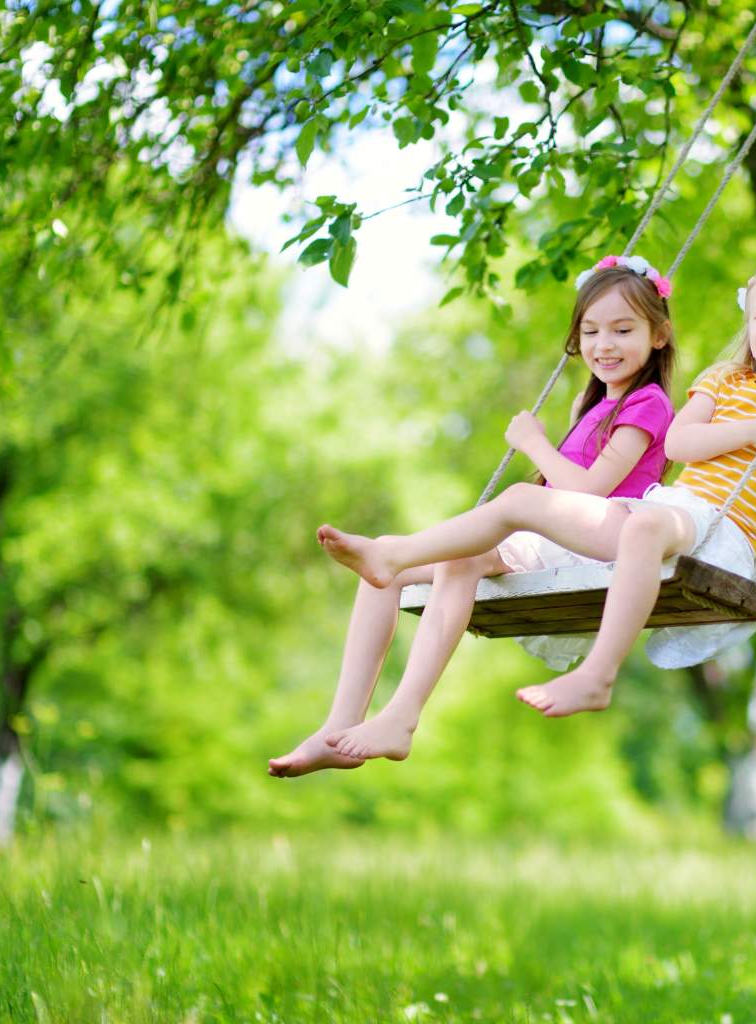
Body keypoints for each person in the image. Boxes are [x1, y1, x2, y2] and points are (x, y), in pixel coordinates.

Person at [318, 250, 756, 720]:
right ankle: (393, 561)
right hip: (674, 510)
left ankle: (598, 673)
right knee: (524, 499)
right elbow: (679, 445)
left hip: (721, 534)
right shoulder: (723, 381)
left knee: (631, 521)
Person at [267, 255, 677, 775]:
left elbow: (591, 491)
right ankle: (338, 726)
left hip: (599, 537)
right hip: (556, 540)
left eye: (623, 329)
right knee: (381, 578)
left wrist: (534, 442)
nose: (604, 344)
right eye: (591, 330)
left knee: (480, 533)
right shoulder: (593, 403)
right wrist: (568, 426)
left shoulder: (649, 403)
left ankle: (401, 714)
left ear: (658, 335)